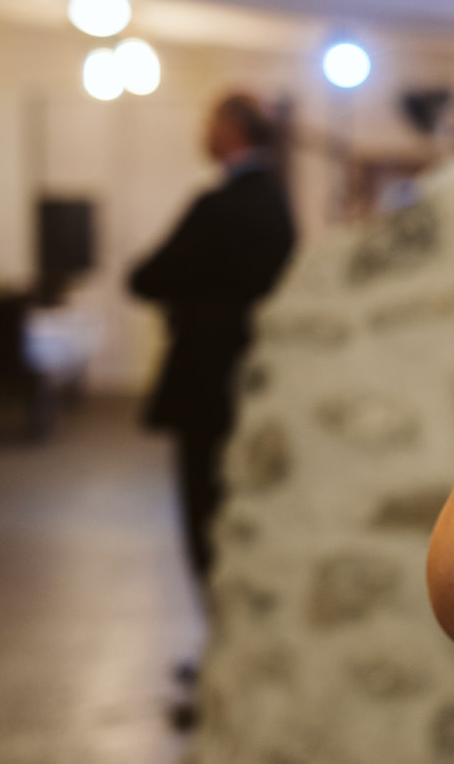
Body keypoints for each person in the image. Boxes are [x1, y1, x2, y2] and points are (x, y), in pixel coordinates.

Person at [131, 93, 296, 580]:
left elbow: (146, 277)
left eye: (211, 121)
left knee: (204, 508)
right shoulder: (276, 201)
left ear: (233, 128)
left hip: (205, 378)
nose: (203, 132)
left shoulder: (219, 205)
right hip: (256, 376)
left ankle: (215, 614)